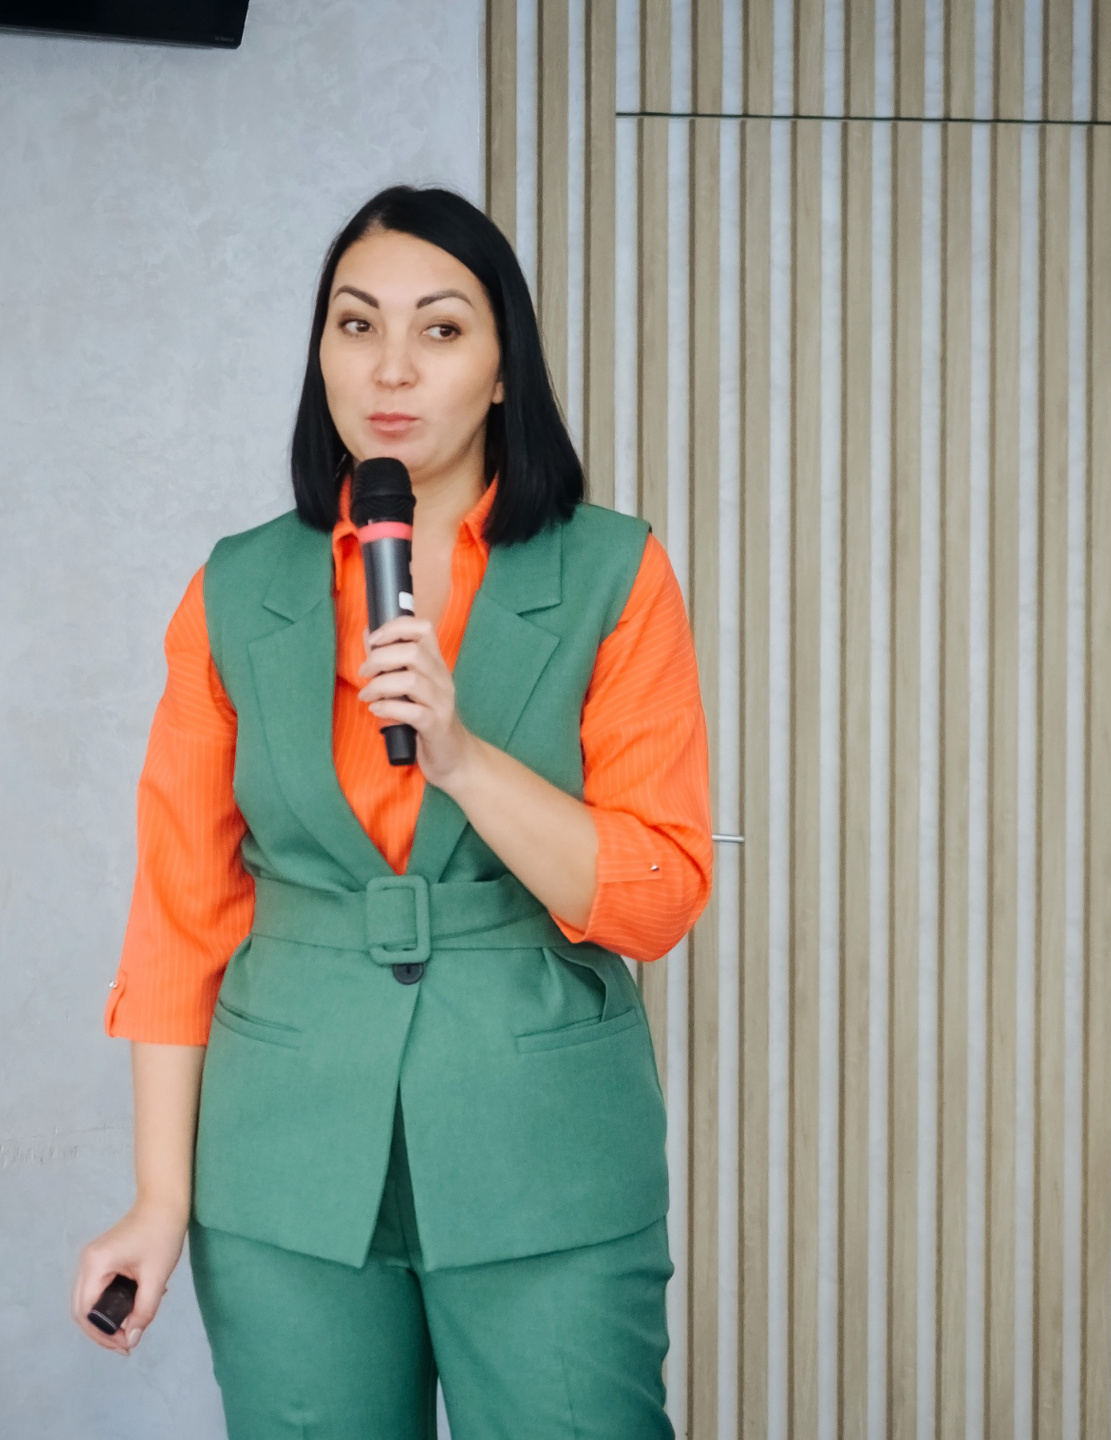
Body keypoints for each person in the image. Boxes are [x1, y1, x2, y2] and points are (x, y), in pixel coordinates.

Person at [72, 183, 712, 1438]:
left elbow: (657, 896)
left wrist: (463, 758)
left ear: (504, 370)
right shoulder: (236, 589)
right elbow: (181, 919)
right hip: (284, 1158)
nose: (391, 368)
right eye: (357, 325)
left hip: (544, 1150)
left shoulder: (614, 572)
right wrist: (158, 1198)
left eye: (442, 329)